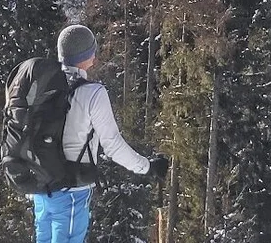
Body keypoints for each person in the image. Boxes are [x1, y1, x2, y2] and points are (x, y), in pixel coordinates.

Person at [33, 24, 170, 243]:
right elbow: (113, 146)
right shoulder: (92, 93)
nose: (95, 57)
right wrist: (148, 167)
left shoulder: (42, 86)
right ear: (85, 56)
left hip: (41, 186)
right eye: (92, 51)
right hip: (72, 190)